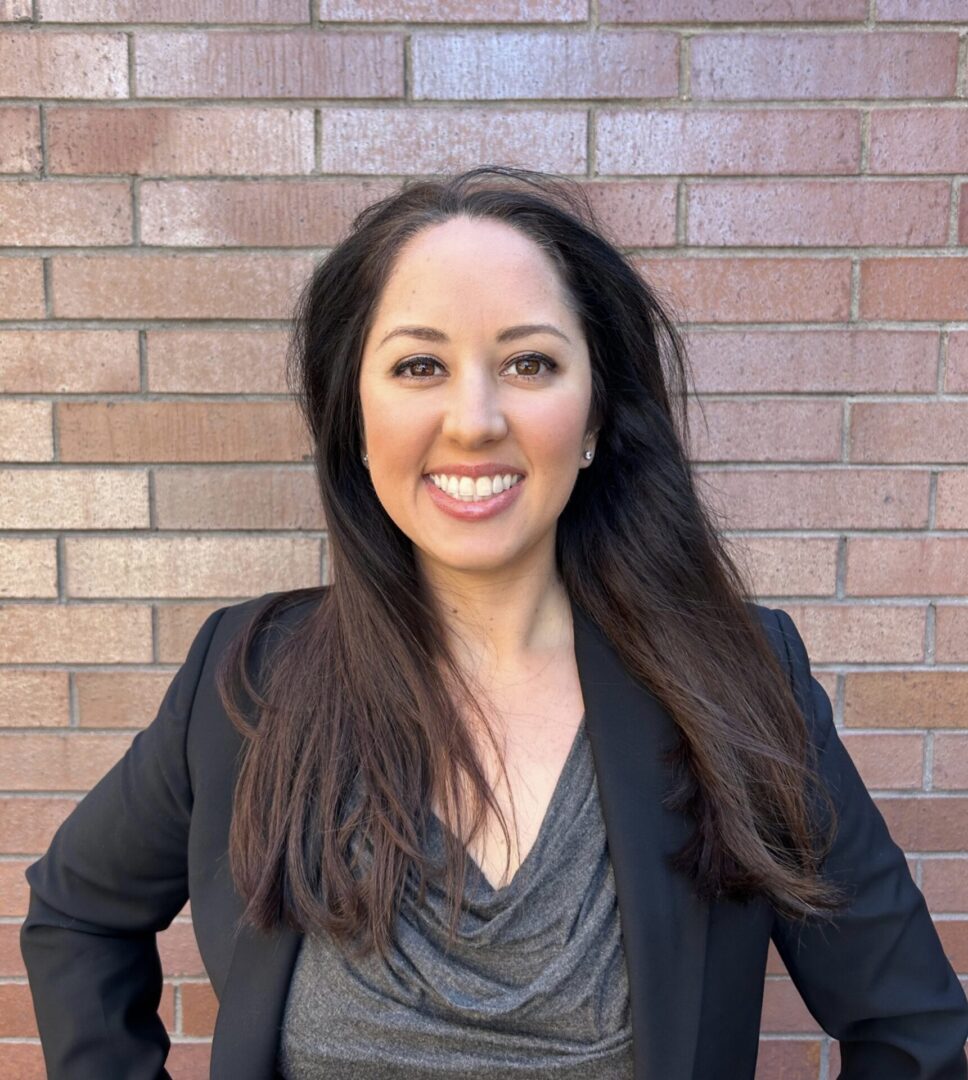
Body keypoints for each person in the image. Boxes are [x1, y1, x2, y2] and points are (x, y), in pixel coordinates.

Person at [20, 166, 968, 1080]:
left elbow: (915, 1030)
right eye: (420, 365)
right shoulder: (246, 680)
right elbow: (76, 915)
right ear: (355, 413)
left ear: (595, 416)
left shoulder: (739, 682)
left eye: (529, 362)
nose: (474, 420)